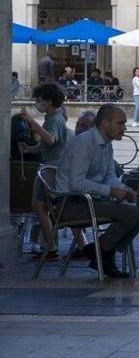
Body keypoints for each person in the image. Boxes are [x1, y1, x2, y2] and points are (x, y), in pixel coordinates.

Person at [53, 105, 139, 278]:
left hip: (92, 200)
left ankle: (101, 250)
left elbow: (109, 176)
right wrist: (111, 192)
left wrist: (124, 189)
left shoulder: (107, 145)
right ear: (105, 123)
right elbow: (77, 183)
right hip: (70, 204)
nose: (124, 128)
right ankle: (103, 252)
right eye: (120, 123)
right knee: (131, 213)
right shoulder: (84, 142)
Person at [22, 83, 82, 258]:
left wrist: (31, 121)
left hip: (51, 170)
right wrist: (30, 149)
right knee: (63, 207)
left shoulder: (54, 119)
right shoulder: (56, 118)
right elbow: (48, 145)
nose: (37, 104)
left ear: (47, 101)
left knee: (40, 207)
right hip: (58, 168)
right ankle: (82, 245)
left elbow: (50, 140)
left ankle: (51, 246)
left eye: (39, 100)